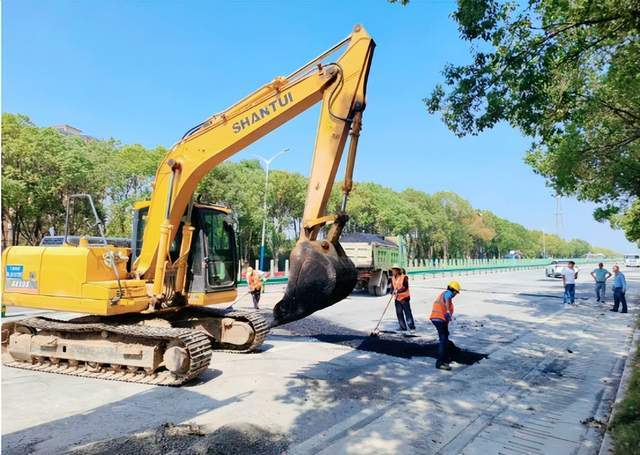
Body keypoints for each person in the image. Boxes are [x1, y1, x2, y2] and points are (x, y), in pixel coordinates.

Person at [430, 281, 461, 371]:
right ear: (454, 290)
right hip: (438, 319)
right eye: (456, 292)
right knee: (443, 340)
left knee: (445, 337)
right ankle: (440, 363)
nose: (455, 294)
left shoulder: (444, 296)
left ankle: (446, 356)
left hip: (439, 320)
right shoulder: (447, 294)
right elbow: (447, 298)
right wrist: (448, 311)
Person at [391, 265, 415, 335]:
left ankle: (411, 327)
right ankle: (402, 327)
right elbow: (392, 287)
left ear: (397, 271)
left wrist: (397, 291)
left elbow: (405, 287)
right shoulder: (392, 278)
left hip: (404, 298)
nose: (392, 271)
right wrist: (392, 291)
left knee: (407, 313)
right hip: (397, 298)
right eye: (392, 270)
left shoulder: (404, 277)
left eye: (394, 270)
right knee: (399, 313)